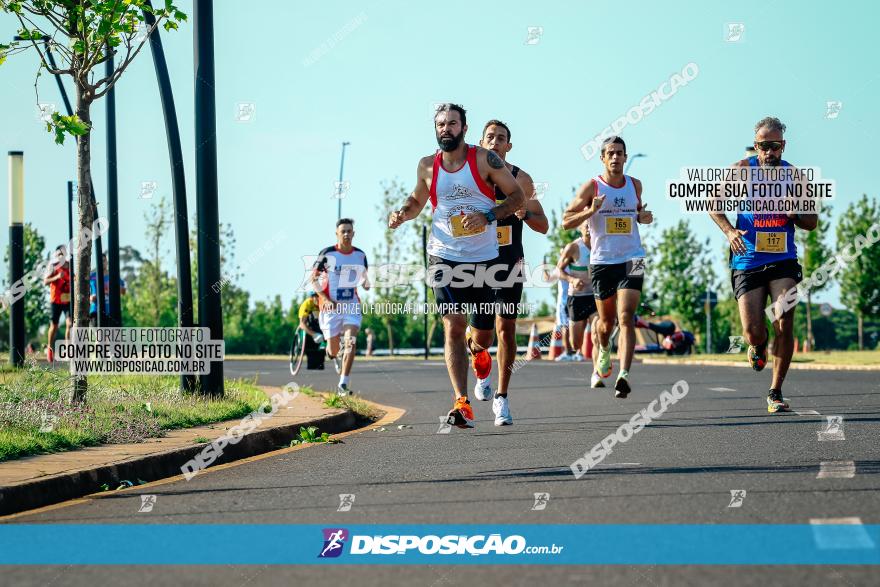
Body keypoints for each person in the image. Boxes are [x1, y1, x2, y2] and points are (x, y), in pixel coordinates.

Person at [388, 103, 525, 428]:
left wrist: (489, 215)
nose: (445, 129)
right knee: (453, 325)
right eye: (440, 124)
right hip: (442, 254)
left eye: (452, 123)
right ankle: (461, 403)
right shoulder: (426, 165)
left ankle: (480, 360)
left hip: (482, 257)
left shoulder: (484, 160)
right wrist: (403, 213)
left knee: (483, 339)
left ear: (463, 128)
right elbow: (417, 200)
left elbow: (517, 196)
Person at [709, 116, 817, 413]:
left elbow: (813, 222)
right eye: (763, 146)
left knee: (784, 320)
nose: (769, 151)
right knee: (753, 330)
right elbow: (713, 203)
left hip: (783, 258)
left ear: (783, 146)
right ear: (756, 146)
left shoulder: (796, 177)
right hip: (748, 258)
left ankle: (775, 391)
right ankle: (756, 345)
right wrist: (730, 231)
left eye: (775, 146)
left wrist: (795, 214)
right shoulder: (742, 170)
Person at [562, 136, 653, 398]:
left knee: (626, 318)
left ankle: (623, 374)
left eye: (620, 153)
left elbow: (638, 214)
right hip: (602, 262)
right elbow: (566, 221)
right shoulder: (592, 186)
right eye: (610, 153)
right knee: (606, 322)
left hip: (633, 258)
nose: (615, 157)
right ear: (602, 158)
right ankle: (603, 349)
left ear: (626, 157)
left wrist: (644, 217)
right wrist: (591, 211)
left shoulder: (635, 185)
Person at [470, 119, 548, 425]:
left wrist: (524, 212)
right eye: (490, 137)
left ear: (508, 146)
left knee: (506, 331)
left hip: (509, 263)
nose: (495, 142)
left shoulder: (521, 179)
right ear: (481, 141)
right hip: (476, 266)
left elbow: (543, 225)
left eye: (500, 138)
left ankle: (502, 398)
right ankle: (479, 362)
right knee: (482, 338)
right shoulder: (471, 178)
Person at [312, 218, 370, 395]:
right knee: (333, 351)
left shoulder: (360, 255)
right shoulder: (327, 253)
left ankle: (343, 384)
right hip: (330, 308)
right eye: (343, 231)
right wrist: (325, 298)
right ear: (337, 233)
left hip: (351, 306)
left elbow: (364, 278)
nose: (346, 234)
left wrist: (366, 282)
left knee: (351, 341)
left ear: (354, 233)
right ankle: (332, 352)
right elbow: (313, 280)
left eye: (349, 231)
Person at [557, 224, 602, 385]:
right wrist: (572, 279)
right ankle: (582, 351)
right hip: (576, 297)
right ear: (580, 228)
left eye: (592, 224)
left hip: (596, 296)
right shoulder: (573, 248)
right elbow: (559, 271)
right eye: (586, 225)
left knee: (597, 333)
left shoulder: (602, 244)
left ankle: (596, 372)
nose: (590, 228)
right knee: (576, 344)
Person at [43, 245, 71, 363]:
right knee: (54, 326)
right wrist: (57, 276)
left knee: (70, 323)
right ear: (56, 255)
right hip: (56, 300)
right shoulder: (53, 266)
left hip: (68, 299)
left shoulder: (70, 265)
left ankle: (68, 349)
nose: (61, 255)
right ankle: (50, 349)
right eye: (59, 253)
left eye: (63, 253)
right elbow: (45, 281)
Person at [89, 254, 127, 327]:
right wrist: (90, 298)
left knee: (109, 337)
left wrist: (115, 286)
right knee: (99, 336)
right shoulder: (92, 276)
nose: (102, 263)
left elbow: (124, 292)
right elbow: (82, 292)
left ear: (107, 262)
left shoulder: (113, 275)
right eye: (100, 261)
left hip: (110, 311)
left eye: (104, 260)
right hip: (95, 310)